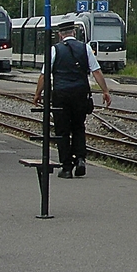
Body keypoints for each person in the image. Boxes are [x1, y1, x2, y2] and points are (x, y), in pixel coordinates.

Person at [32, 20, 112, 178]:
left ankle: (67, 167)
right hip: (81, 94)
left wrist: (37, 94)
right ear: (74, 33)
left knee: (62, 130)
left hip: (61, 95)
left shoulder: (54, 49)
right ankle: (81, 159)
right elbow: (96, 71)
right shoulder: (85, 48)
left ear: (61, 35)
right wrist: (105, 90)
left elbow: (44, 75)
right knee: (78, 127)